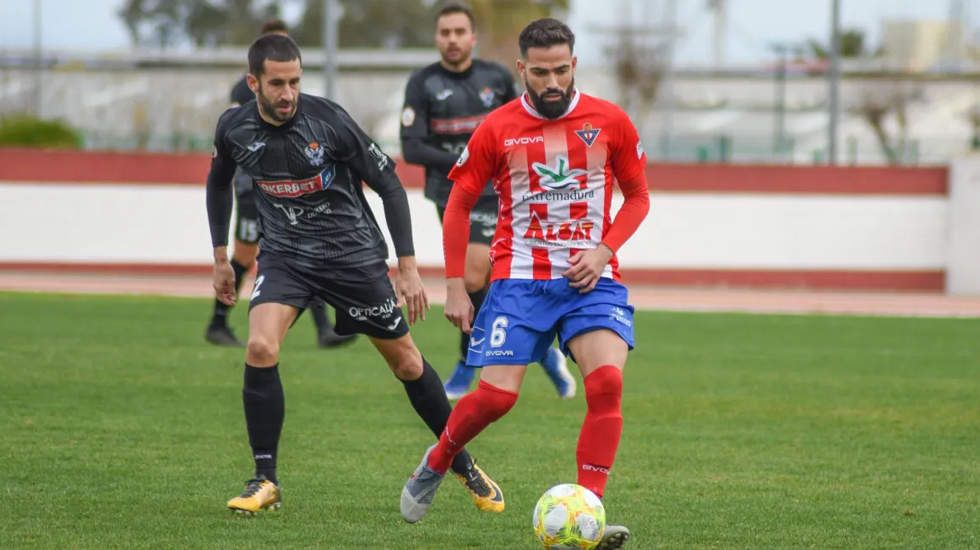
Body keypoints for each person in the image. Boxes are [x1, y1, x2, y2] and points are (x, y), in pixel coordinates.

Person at [206, 33, 504, 516]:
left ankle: (464, 463)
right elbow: (218, 182)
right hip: (285, 258)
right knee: (260, 346)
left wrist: (406, 267)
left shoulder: (328, 120)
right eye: (277, 84)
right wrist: (221, 256)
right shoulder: (234, 128)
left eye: (295, 82)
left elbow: (388, 183)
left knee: (407, 363)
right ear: (253, 83)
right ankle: (265, 478)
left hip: (352, 259)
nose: (288, 94)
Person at [400, 18, 650, 550]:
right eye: (541, 72)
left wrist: (605, 250)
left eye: (562, 69)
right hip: (518, 280)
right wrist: (453, 284)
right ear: (522, 70)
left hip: (592, 279)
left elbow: (639, 197)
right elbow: (460, 202)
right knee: (495, 398)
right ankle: (439, 458)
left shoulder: (610, 121)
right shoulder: (498, 128)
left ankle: (589, 511)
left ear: (574, 64)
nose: (553, 81)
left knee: (606, 385)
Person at [400, 2, 575, 400]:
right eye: (445, 33)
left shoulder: (495, 78)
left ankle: (476, 359)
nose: (453, 40)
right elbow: (412, 148)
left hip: (502, 193)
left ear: (472, 37)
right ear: (436, 38)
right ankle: (530, 349)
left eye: (460, 32)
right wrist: (473, 158)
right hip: (453, 193)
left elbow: (526, 121)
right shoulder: (422, 83)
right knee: (484, 276)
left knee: (483, 276)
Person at [205, 18, 354, 349]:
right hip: (251, 187)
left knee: (305, 248)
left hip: (289, 187)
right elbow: (235, 143)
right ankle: (217, 321)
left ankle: (323, 328)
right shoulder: (242, 93)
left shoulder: (294, 94)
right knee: (244, 255)